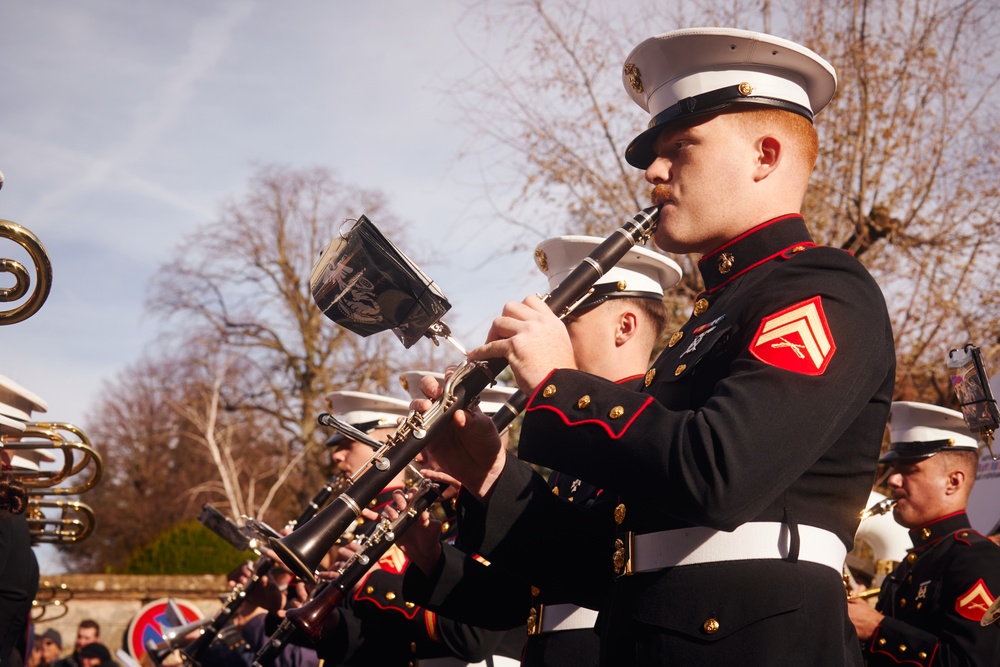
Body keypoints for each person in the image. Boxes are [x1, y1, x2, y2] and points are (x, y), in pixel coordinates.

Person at [415, 27, 895, 666]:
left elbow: (719, 472)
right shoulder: (704, 325)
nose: (653, 171)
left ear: (765, 155)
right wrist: (487, 474)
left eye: (682, 146)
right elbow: (595, 565)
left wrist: (557, 382)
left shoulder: (821, 287)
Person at [398, 235, 681, 667]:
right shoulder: (576, 444)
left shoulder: (659, 424)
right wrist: (431, 559)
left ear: (625, 326)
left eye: (564, 321)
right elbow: (523, 598)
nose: (540, 335)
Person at [848, 401, 1000, 665]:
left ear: (953, 482)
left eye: (909, 469)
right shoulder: (913, 562)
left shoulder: (977, 559)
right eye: (894, 469)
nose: (893, 479)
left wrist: (877, 630)